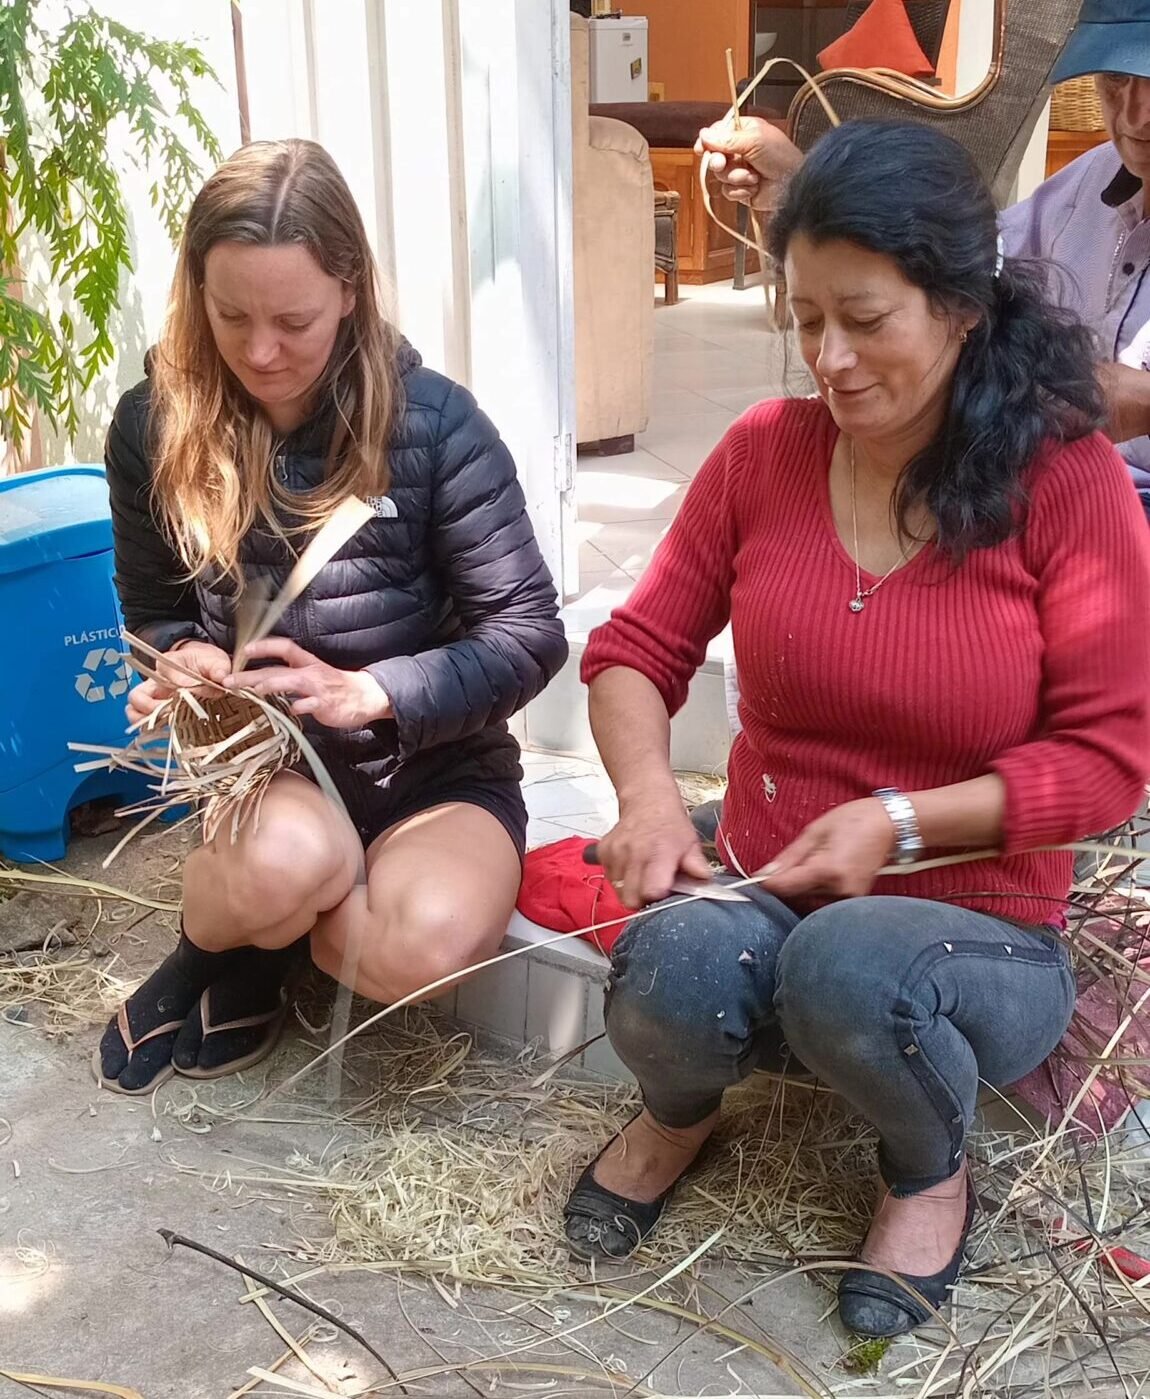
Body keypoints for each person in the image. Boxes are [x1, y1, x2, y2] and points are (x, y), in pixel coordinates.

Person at [564, 120, 1150, 1340]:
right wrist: (650, 803)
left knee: (849, 968)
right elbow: (632, 653)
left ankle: (927, 1168)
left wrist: (895, 823)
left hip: (980, 923)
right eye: (804, 316)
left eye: (866, 317)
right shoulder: (762, 456)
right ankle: (681, 1115)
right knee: (667, 967)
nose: (827, 357)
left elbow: (1108, 768)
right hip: (774, 872)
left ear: (959, 306)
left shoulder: (1067, 481)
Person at [96, 139, 567, 1096]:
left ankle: (267, 948)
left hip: (437, 769)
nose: (262, 351)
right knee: (281, 864)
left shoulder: (436, 425)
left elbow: (529, 634)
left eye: (294, 320)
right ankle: (223, 940)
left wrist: (377, 690)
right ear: (196, 295)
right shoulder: (155, 423)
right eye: (231, 317)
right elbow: (156, 610)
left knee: (422, 949)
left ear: (350, 290)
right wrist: (184, 657)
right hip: (272, 770)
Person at [698, 0, 1150, 511]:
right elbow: (954, 262)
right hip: (1044, 489)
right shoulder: (1087, 184)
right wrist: (799, 192)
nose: (1135, 116)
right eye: (1115, 81)